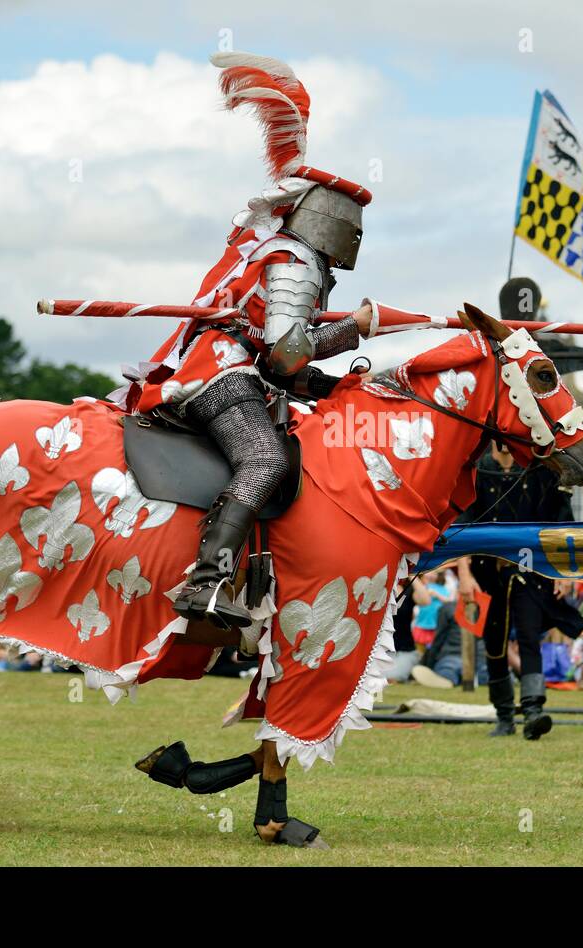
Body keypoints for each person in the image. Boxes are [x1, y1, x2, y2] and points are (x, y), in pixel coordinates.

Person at [115, 53, 375, 631]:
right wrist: (354, 329)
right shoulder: (293, 261)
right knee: (264, 458)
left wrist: (337, 382)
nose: (352, 237)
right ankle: (205, 581)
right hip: (219, 373)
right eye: (349, 222)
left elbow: (283, 363)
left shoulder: (273, 252)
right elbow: (285, 351)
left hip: (233, 367)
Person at [455, 441, 583, 738]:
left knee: (528, 636)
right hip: (488, 572)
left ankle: (533, 711)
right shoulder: (478, 470)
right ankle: (504, 716)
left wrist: (564, 571)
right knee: (495, 642)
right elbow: (461, 526)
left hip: (529, 571)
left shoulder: (540, 469)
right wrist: (464, 573)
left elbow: (561, 522)